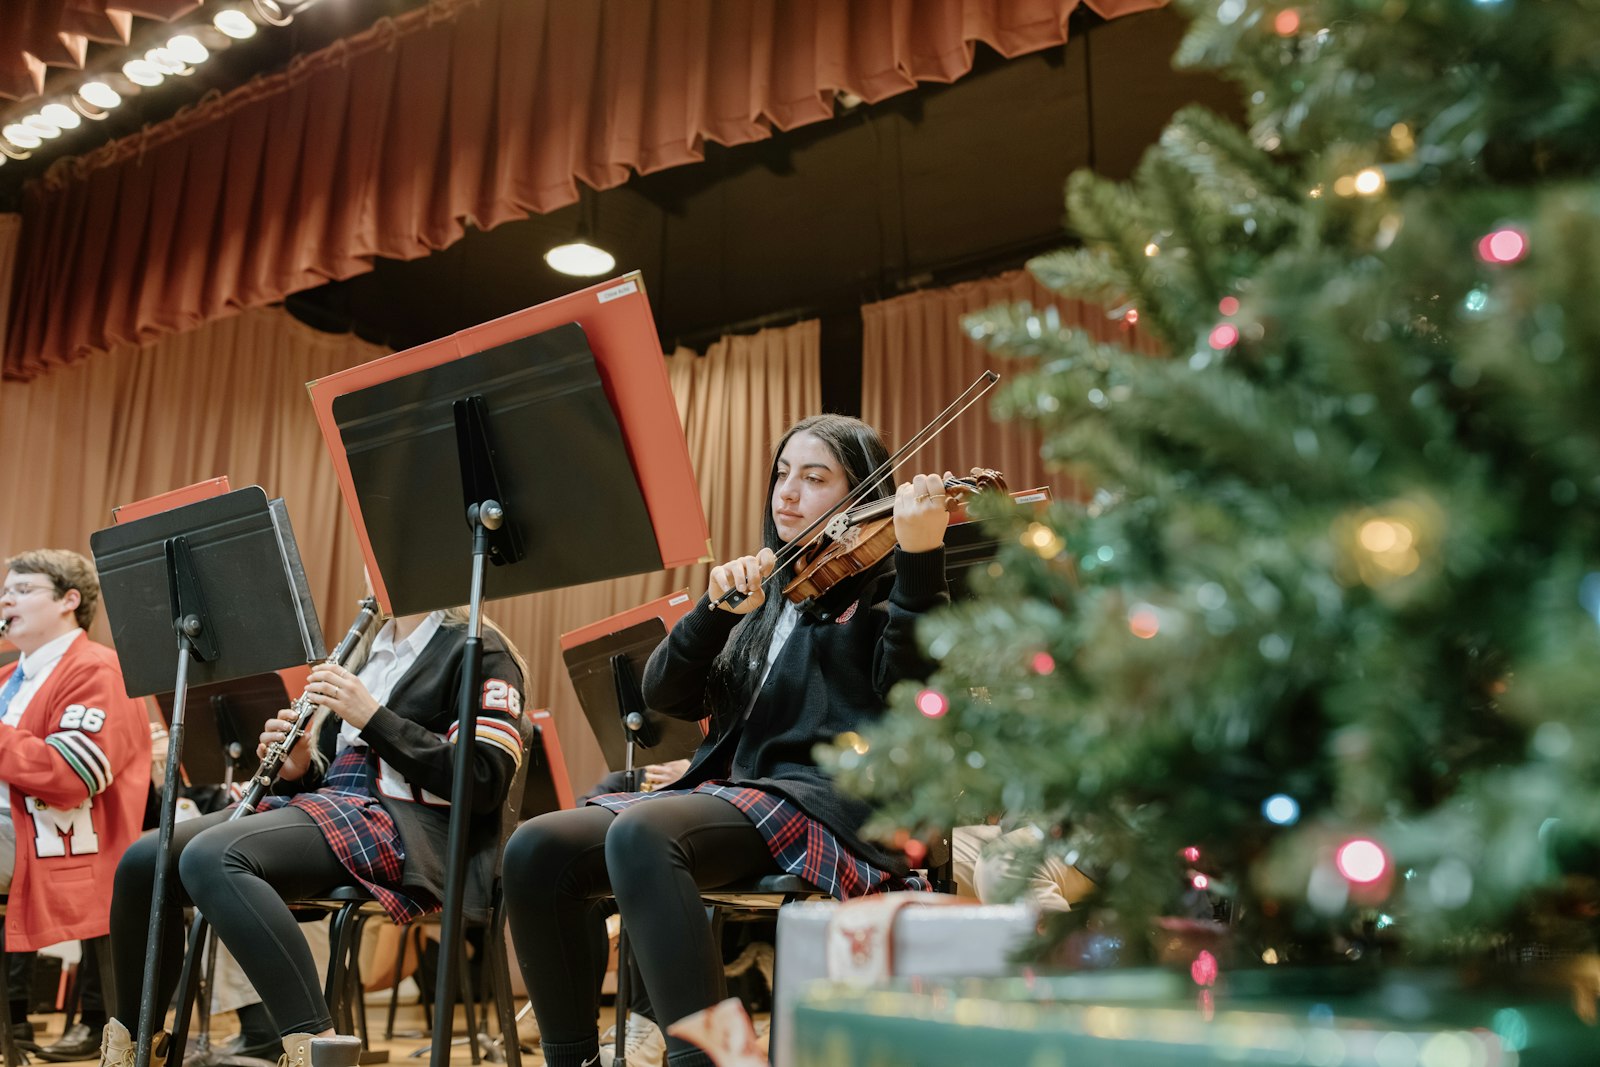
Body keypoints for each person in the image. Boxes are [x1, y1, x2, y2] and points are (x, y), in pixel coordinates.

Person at [504, 414, 951, 1067]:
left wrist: (918, 559)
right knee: (535, 847)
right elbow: (666, 695)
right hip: (742, 794)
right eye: (782, 474)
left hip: (827, 801)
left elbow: (912, 691)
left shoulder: (884, 583)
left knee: (643, 832)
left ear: (861, 494)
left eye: (814, 477)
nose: (786, 493)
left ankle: (713, 1059)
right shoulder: (774, 587)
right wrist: (712, 614)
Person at [99, 605, 528, 1067]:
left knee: (212, 856)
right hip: (336, 806)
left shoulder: (480, 649)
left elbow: (484, 779)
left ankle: (318, 1050)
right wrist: (296, 769)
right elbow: (326, 780)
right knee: (146, 859)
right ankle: (133, 1051)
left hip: (407, 826)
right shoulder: (366, 651)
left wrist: (372, 716)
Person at [0, 550, 151, 1050]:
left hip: (53, 837)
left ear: (70, 600)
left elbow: (71, 774)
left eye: (23, 589)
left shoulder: (98, 670)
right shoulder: (9, 677)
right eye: (6, 589)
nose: (6, 597)